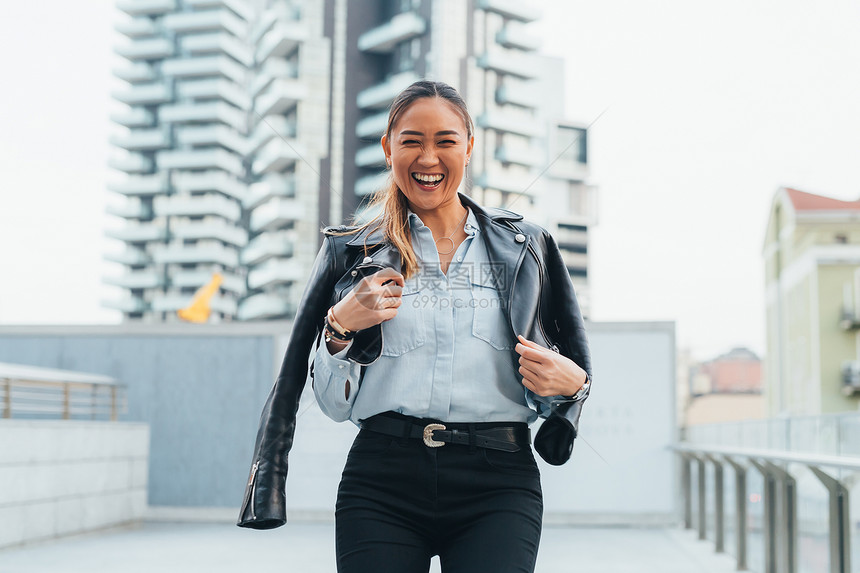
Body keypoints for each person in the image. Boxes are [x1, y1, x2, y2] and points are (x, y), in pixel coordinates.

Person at [238, 80, 592, 573]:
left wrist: (575, 386)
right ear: (388, 148)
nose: (429, 158)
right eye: (411, 141)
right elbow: (333, 406)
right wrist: (339, 328)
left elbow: (562, 380)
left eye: (445, 141)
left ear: (469, 147)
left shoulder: (527, 248)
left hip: (498, 484)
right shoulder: (351, 253)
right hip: (382, 479)